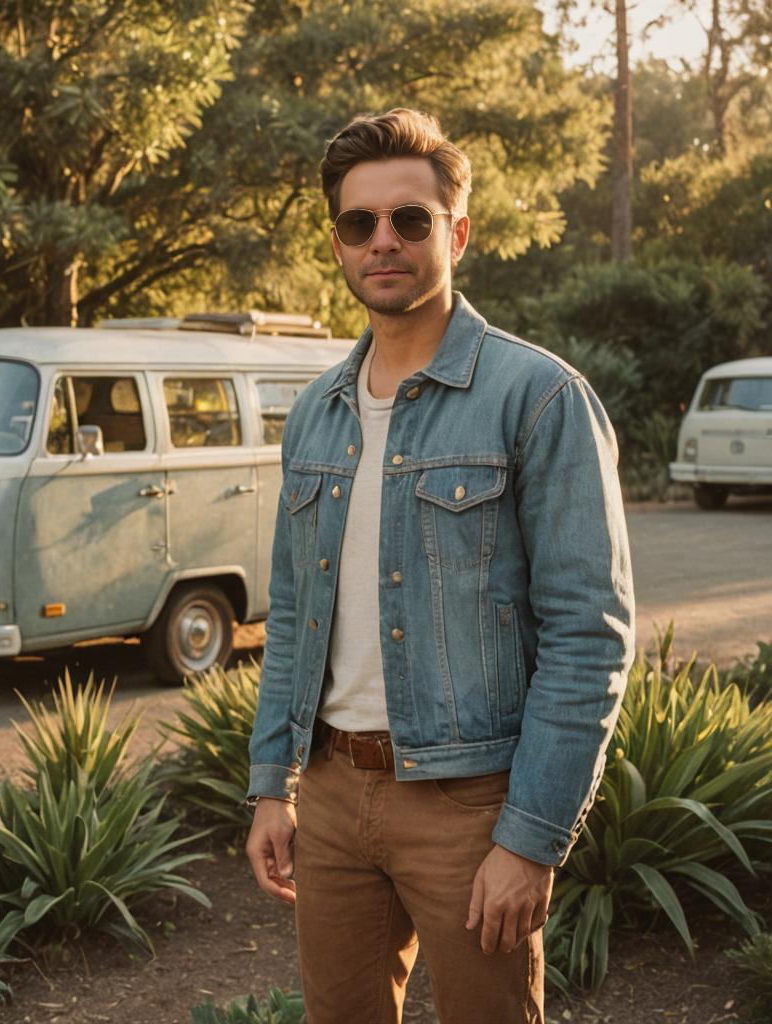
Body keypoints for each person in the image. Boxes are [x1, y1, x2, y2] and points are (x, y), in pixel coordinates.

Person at [244, 108, 635, 1024]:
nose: (383, 241)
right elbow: (295, 612)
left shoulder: (539, 399)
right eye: (358, 223)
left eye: (409, 220)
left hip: (469, 807)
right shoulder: (316, 413)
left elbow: (591, 636)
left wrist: (532, 841)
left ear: (456, 232)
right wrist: (271, 786)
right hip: (332, 800)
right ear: (338, 244)